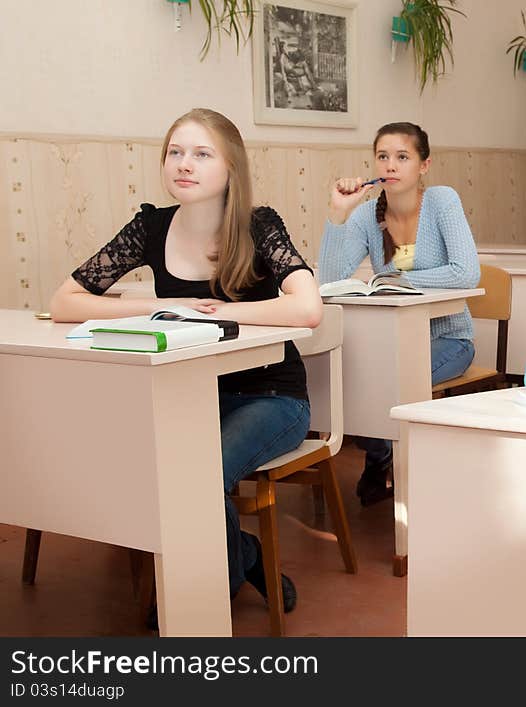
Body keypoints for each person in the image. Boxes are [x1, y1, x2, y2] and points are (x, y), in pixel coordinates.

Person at [50, 108, 323, 624]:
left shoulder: (256, 224)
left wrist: (226, 312)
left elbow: (307, 307)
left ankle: (202, 594)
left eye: (201, 154)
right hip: (189, 393)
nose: (184, 164)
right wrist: (152, 307)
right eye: (175, 152)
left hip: (271, 397)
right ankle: (246, 558)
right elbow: (66, 301)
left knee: (197, 471)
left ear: (230, 168)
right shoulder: (150, 226)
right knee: (133, 463)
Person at [319, 121, 480, 505]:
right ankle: (382, 458)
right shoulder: (366, 216)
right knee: (357, 383)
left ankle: (398, 467)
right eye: (382, 156)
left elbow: (465, 272)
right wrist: (339, 213)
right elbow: (328, 280)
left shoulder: (442, 201)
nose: (390, 165)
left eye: (402, 157)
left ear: (423, 165)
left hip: (449, 339)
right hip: (392, 342)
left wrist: (398, 279)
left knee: (386, 384)